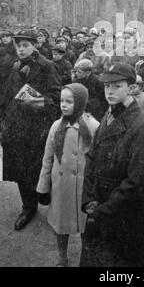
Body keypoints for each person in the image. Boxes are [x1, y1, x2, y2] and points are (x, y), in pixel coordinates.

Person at [79, 62, 144, 267]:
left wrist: (104, 210)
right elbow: (92, 157)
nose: (110, 91)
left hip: (123, 210)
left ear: (131, 88)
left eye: (116, 86)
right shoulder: (110, 112)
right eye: (106, 86)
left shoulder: (140, 125)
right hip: (99, 200)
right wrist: (88, 198)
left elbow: (136, 180)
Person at [1, 30, 61, 230]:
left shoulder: (47, 66)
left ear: (34, 45)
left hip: (37, 129)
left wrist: (33, 100)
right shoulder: (14, 66)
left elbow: (56, 99)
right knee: (20, 171)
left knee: (39, 170)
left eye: (25, 45)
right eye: (18, 46)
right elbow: (7, 97)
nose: (21, 49)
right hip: (16, 128)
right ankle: (28, 207)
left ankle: (50, 203)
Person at [36, 83, 98, 267]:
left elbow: (99, 160)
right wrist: (43, 186)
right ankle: (62, 256)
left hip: (83, 188)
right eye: (62, 101)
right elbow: (48, 158)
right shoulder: (57, 126)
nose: (63, 105)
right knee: (61, 226)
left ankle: (86, 259)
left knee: (87, 226)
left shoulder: (93, 127)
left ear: (80, 103)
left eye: (69, 102)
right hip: (61, 188)